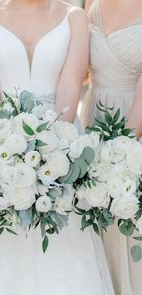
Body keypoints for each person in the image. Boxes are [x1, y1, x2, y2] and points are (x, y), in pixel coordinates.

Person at [0, 1, 114, 294]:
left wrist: (49, 153)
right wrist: (3, 154)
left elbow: (69, 88)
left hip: (61, 145)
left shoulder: (74, 17)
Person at [81, 0, 142, 294]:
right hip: (93, 119)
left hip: (134, 122)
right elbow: (81, 71)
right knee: (93, 217)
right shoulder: (92, 4)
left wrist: (121, 153)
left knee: (125, 210)